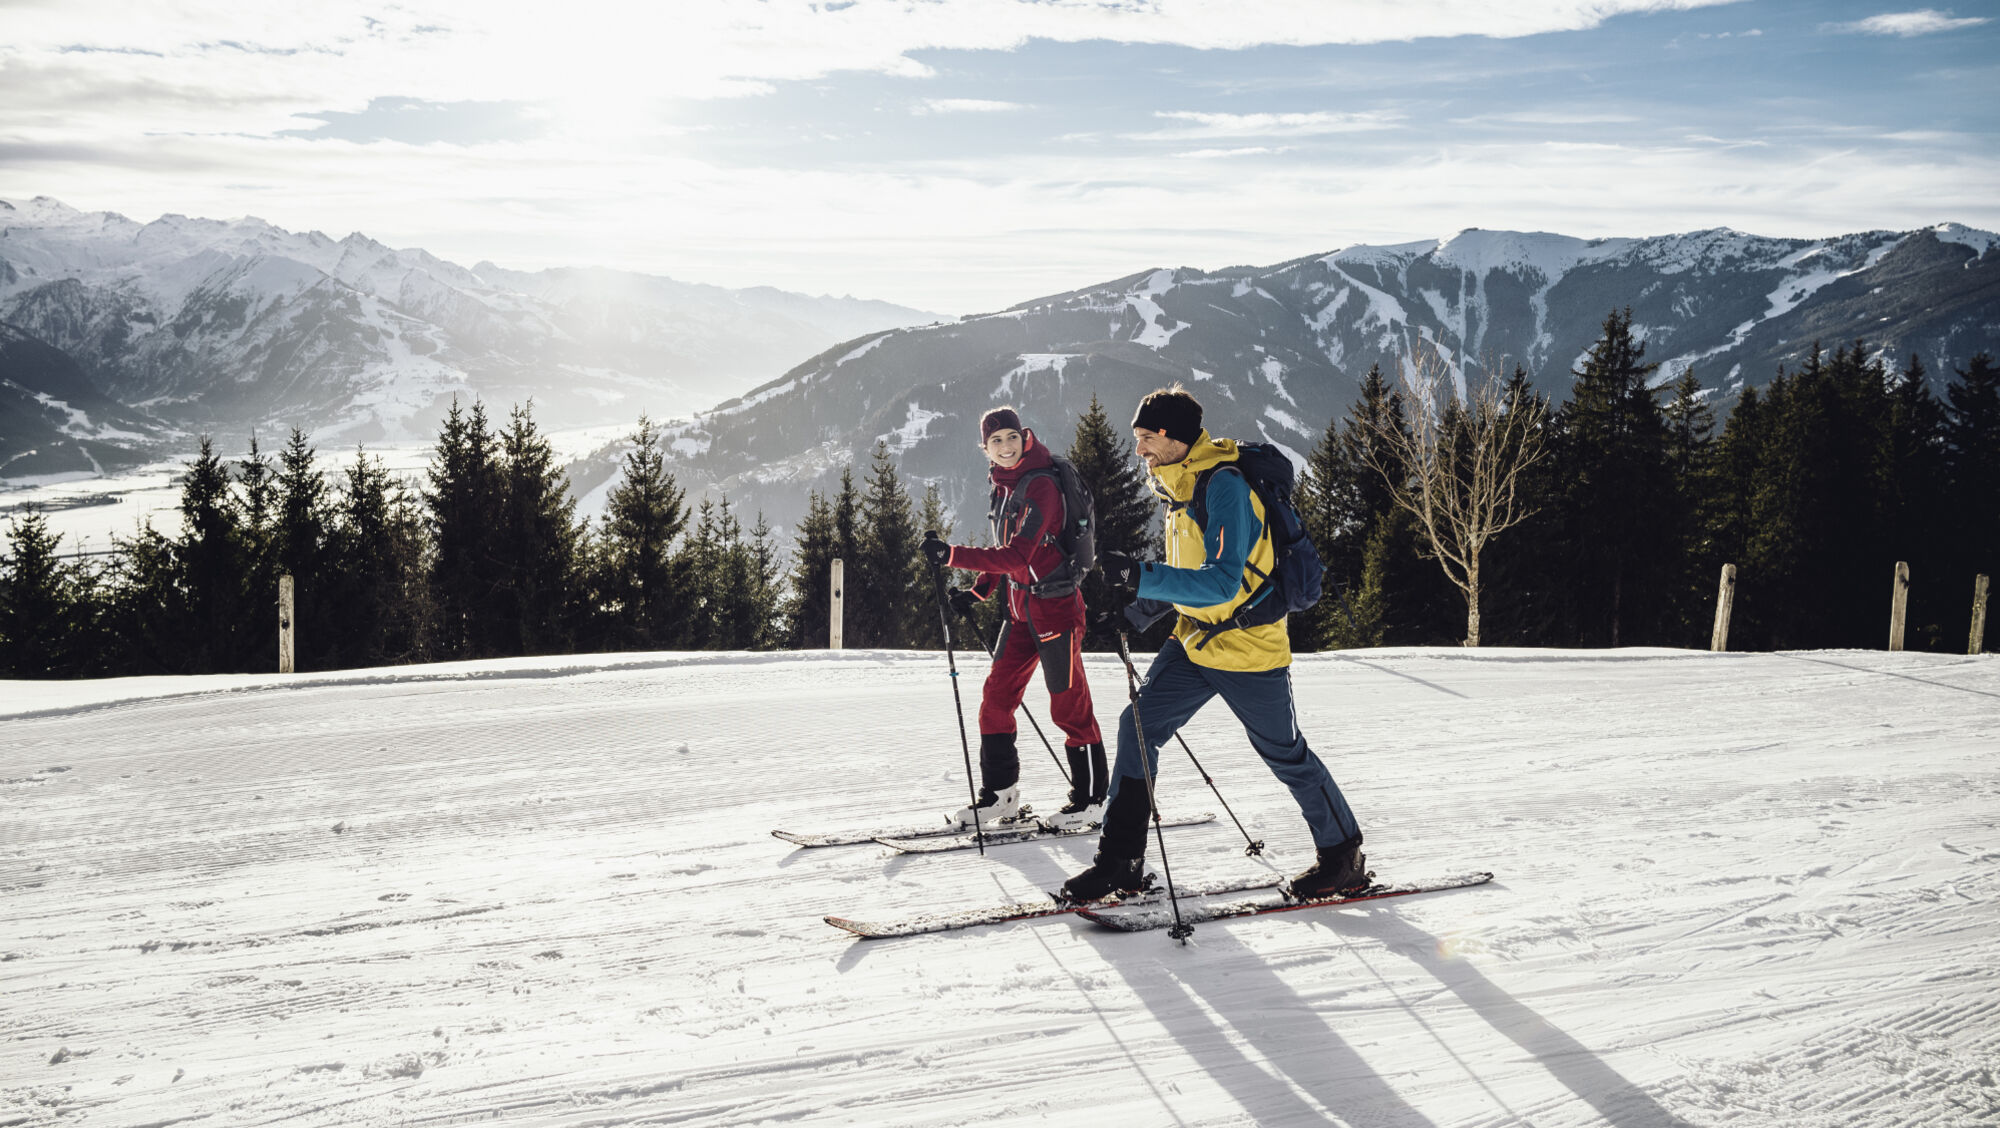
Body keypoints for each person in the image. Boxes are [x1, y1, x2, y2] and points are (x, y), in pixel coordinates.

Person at [1059, 385, 1367, 902]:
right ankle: (1120, 861)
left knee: (1285, 754)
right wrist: (1135, 612)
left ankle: (1343, 858)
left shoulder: (1223, 486)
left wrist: (1139, 574)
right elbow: (1185, 570)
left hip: (1248, 649)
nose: (1139, 450)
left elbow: (1223, 582)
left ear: (1174, 437)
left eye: (1146, 438)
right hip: (1194, 642)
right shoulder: (1178, 486)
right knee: (1137, 727)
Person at [920, 406, 1108, 832]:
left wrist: (951, 555)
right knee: (996, 701)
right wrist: (978, 591)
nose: (1005, 446)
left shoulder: (1041, 484)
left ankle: (1092, 800)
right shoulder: (1003, 485)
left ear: (1025, 436)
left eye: (1010, 437)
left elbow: (1019, 555)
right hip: (1020, 610)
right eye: (995, 441)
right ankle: (1001, 794)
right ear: (984, 448)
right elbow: (1007, 550)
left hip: (1056, 608)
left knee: (1069, 706)